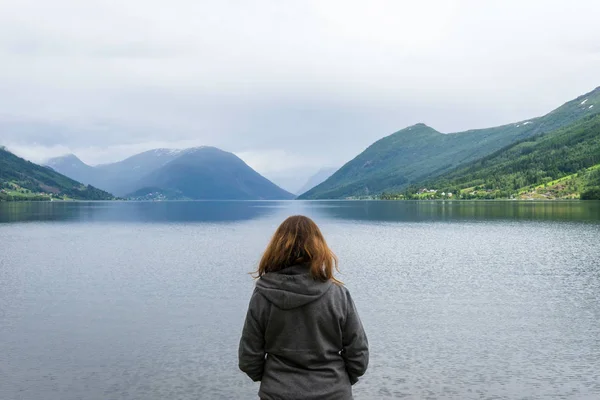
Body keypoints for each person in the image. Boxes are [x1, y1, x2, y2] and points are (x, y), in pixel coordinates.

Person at [238, 215, 369, 400]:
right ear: (319, 248)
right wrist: (339, 382)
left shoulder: (262, 295)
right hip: (333, 393)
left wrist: (274, 381)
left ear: (276, 248)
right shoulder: (338, 294)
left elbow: (248, 357)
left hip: (278, 393)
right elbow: (358, 354)